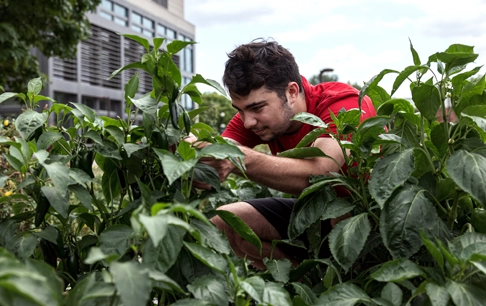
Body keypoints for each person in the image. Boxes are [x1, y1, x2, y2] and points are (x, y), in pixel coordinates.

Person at [195, 39, 377, 269]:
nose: (247, 121)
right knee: (227, 221)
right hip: (315, 212)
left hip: (368, 214)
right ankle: (302, 284)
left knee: (341, 214)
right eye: (240, 110)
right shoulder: (255, 117)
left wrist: (236, 157)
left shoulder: (343, 104)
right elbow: (219, 149)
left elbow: (321, 174)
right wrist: (198, 155)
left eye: (257, 108)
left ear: (291, 91)